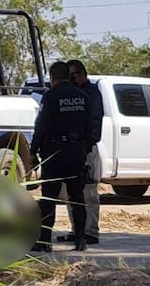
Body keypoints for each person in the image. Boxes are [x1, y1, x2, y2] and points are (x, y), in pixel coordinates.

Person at [30, 61, 91, 252]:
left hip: (55, 152)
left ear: (52, 77)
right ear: (68, 76)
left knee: (49, 198)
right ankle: (81, 239)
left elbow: (41, 126)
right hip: (76, 152)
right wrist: (84, 148)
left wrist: (33, 151)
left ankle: (44, 240)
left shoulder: (50, 97)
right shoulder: (83, 96)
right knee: (77, 197)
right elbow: (91, 126)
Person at [56, 59, 103, 246]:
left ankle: (91, 231)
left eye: (74, 75)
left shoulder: (92, 94)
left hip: (88, 149)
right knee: (71, 192)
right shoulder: (72, 94)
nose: (71, 79)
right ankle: (77, 230)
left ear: (83, 74)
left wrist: (85, 143)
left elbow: (92, 122)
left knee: (89, 192)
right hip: (73, 149)